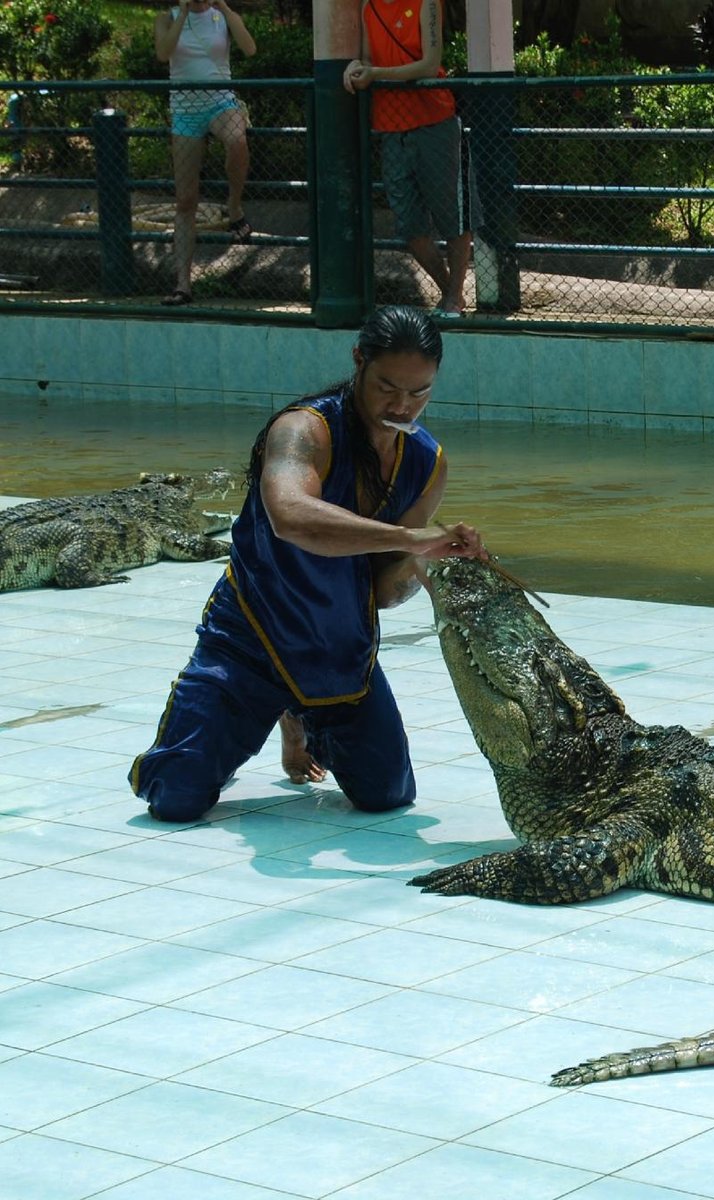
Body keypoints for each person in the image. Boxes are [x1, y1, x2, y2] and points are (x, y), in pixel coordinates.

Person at [129, 305, 487, 823]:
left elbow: (384, 590)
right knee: (174, 799)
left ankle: (299, 710)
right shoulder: (304, 430)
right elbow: (291, 518)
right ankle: (261, 714)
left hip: (337, 644)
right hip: (251, 635)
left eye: (420, 392)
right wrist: (411, 537)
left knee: (387, 795)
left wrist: (433, 566)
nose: (404, 405)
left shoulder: (427, 460)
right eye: (388, 387)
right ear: (358, 360)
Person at [344, 0, 471, 318]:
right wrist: (355, 66)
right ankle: (449, 291)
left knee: (452, 214)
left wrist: (374, 74)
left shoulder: (427, 3)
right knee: (409, 227)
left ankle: (453, 299)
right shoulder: (368, 7)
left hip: (434, 122)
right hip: (391, 127)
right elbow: (367, 57)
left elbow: (429, 65)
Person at [155, 0, 256, 307]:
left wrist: (225, 9)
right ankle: (183, 285)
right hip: (185, 112)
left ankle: (234, 207)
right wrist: (183, 13)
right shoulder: (166, 18)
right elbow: (163, 54)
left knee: (237, 139)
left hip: (221, 103)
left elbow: (249, 48)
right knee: (186, 200)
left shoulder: (221, 16)